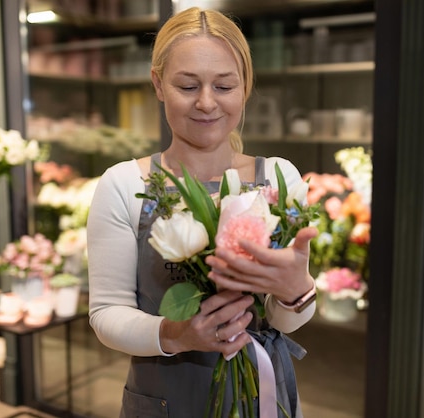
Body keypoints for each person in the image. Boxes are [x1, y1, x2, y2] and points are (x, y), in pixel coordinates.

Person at [87, 7, 318, 417]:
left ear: (245, 86)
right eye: (188, 85)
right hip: (164, 399)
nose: (207, 103)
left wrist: (296, 289)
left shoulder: (280, 180)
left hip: (261, 396)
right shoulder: (124, 184)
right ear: (158, 84)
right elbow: (106, 314)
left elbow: (287, 323)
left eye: (225, 86)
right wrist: (176, 334)